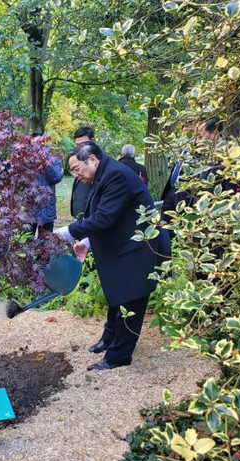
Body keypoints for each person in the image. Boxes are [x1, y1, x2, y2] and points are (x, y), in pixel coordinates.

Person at [55, 142, 170, 371]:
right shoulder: (105, 173)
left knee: (131, 299)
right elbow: (105, 214)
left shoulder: (115, 175)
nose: (76, 176)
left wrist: (67, 232)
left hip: (139, 248)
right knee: (118, 295)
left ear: (93, 160)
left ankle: (118, 357)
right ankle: (110, 340)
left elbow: (104, 218)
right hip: (125, 246)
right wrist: (87, 241)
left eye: (77, 169)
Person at [30, 133, 63, 236]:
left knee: (46, 245)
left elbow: (56, 178)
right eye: (34, 144)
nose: (38, 146)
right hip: (29, 209)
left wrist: (45, 161)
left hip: (47, 208)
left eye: (40, 143)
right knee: (26, 243)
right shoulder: (25, 161)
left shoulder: (54, 160)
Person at [69, 127, 95, 220]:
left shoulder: (97, 164)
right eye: (77, 145)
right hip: (79, 216)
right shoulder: (78, 160)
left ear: (92, 140)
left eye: (83, 144)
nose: (80, 148)